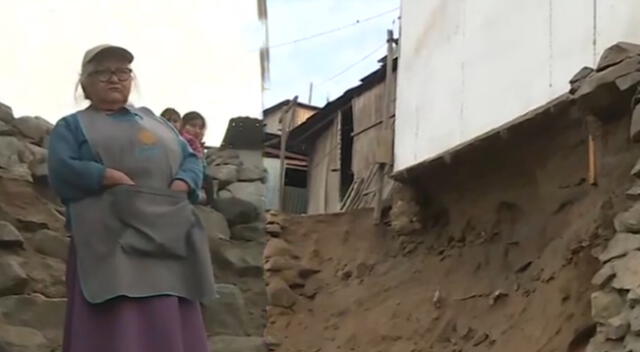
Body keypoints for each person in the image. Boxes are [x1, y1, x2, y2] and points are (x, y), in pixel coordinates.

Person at [48, 44, 216, 352]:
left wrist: (183, 182)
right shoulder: (71, 126)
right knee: (119, 323)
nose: (114, 79)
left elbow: (191, 158)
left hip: (167, 237)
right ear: (84, 83)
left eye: (122, 72)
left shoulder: (157, 122)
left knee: (168, 313)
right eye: (102, 72)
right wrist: (104, 176)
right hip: (109, 243)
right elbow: (61, 169)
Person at [179, 111, 213, 205]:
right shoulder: (183, 143)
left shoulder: (198, 146)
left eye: (201, 128)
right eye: (193, 126)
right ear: (182, 126)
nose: (197, 130)